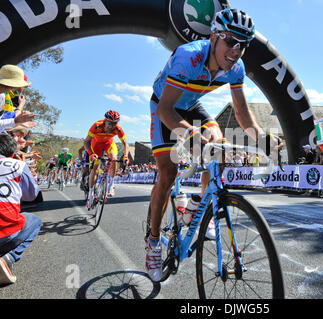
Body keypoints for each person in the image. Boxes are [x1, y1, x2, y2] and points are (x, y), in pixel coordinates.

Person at [145, 8, 283, 282]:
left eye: (242, 45)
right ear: (213, 37)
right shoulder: (189, 56)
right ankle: (153, 241)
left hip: (192, 105)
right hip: (165, 106)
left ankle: (203, 205)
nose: (236, 50)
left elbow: (243, 115)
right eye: (230, 41)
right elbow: (166, 110)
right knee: (168, 174)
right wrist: (190, 135)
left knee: (217, 145)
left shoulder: (237, 68)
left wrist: (263, 139)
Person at [0, 133, 41, 285]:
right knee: (35, 221)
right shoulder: (19, 165)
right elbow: (31, 196)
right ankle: (8, 258)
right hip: (4, 233)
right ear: (12, 154)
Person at [84, 110, 130, 207]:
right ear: (105, 121)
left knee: (114, 158)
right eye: (110, 123)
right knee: (95, 169)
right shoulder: (97, 125)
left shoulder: (118, 129)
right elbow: (86, 141)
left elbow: (125, 143)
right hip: (96, 145)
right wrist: (91, 154)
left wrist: (125, 156)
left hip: (109, 144)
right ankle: (91, 193)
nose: (111, 126)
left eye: (114, 124)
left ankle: (111, 184)